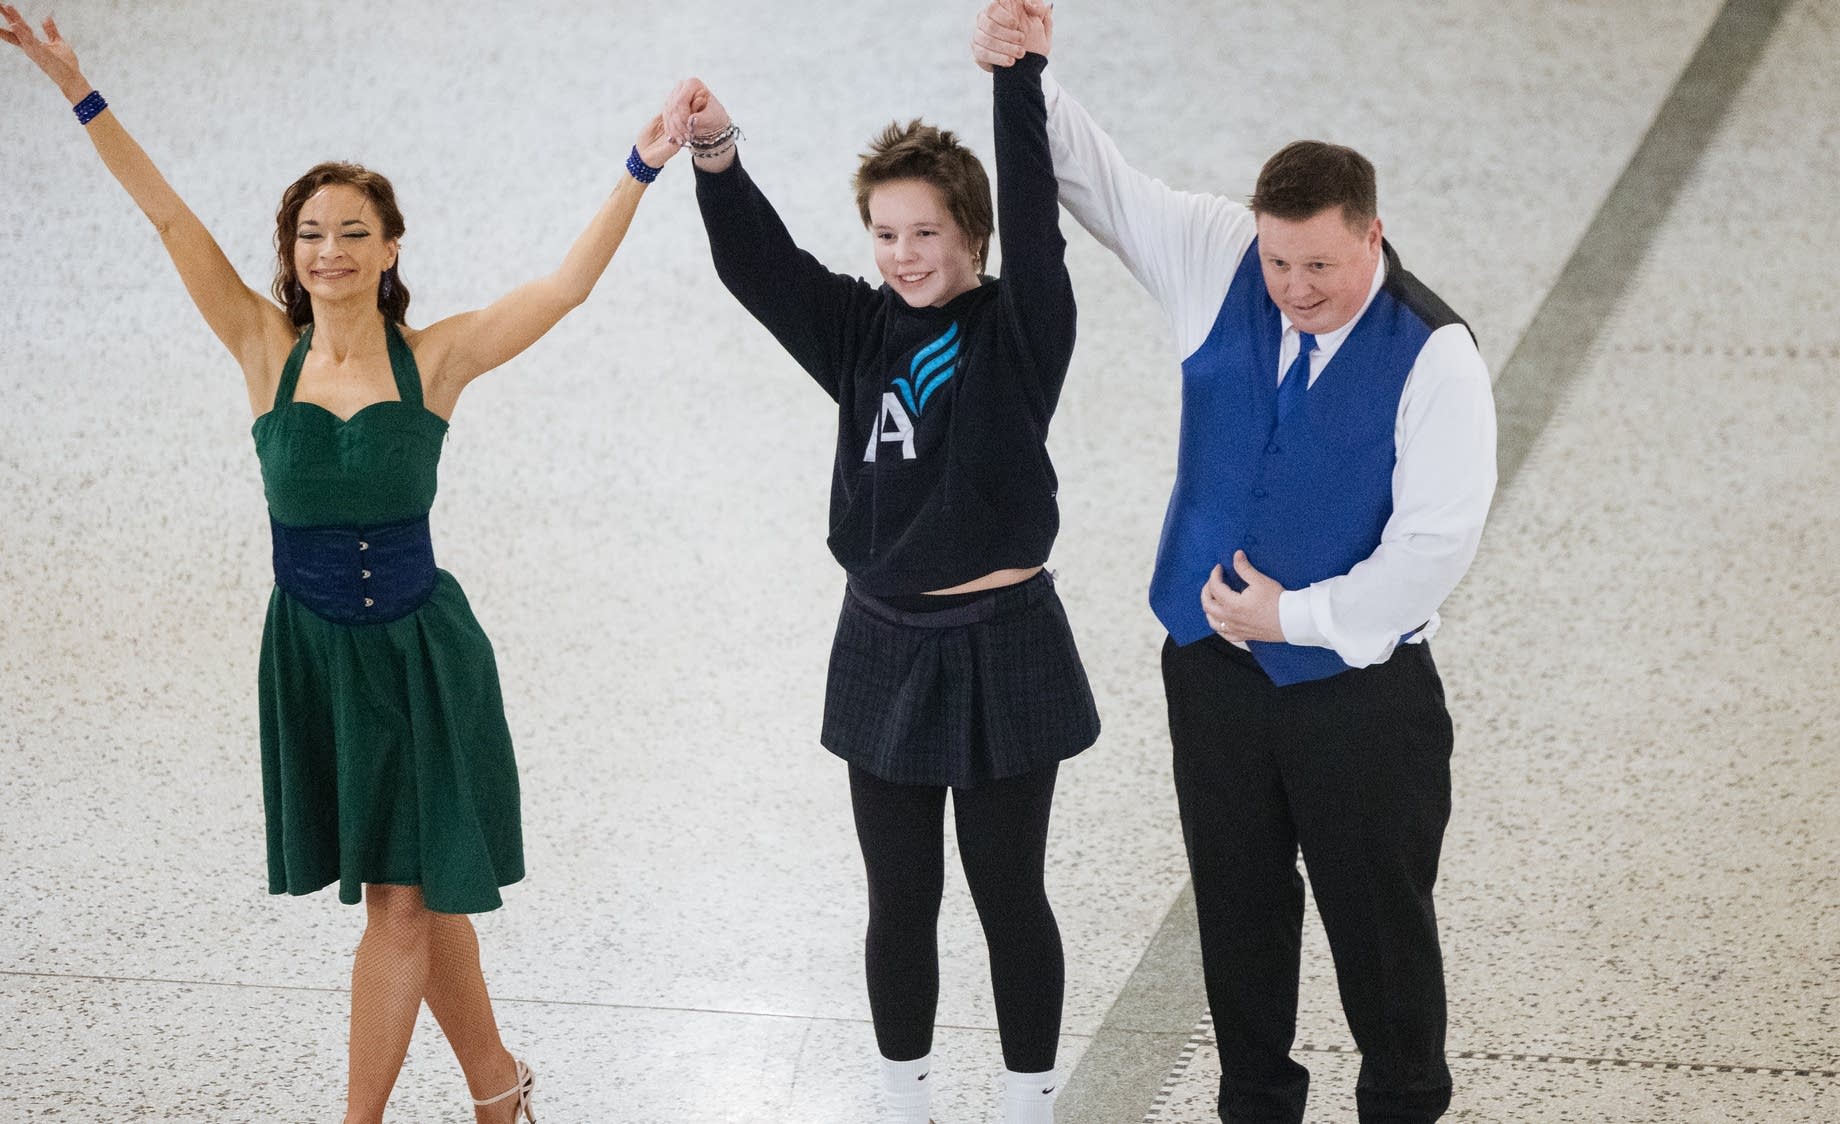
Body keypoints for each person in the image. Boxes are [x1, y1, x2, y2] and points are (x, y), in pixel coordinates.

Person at [2, 8, 683, 1122]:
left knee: (403, 906)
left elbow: (561, 290)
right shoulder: (260, 346)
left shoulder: (437, 358)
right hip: (316, 657)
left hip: (421, 655)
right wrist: (76, 87)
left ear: (390, 246)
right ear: (292, 251)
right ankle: (500, 1091)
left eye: (353, 231)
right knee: (423, 892)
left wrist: (639, 165)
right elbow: (167, 214)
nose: (329, 250)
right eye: (311, 232)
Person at [977, 5, 1498, 1121]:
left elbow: (1433, 545)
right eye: (1277, 259)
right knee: (1236, 914)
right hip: (1210, 680)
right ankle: (1254, 1102)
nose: (1292, 286)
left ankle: (1403, 1100)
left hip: (1359, 698)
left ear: (1370, 234)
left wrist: (1295, 616)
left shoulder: (1434, 356)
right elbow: (1100, 184)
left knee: (1379, 929)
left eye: (1317, 262)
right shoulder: (1222, 257)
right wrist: (1027, 71)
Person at [661, 5, 1094, 1120]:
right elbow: (760, 268)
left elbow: (1039, 224)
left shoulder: (1019, 327)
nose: (904, 255)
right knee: (898, 896)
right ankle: (902, 1092)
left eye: (926, 233)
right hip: (884, 639)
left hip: (1003, 641)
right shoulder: (858, 333)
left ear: (972, 239)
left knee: (1008, 892)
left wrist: (1016, 77)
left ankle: (1026, 1095)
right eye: (885, 233)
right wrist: (716, 153)